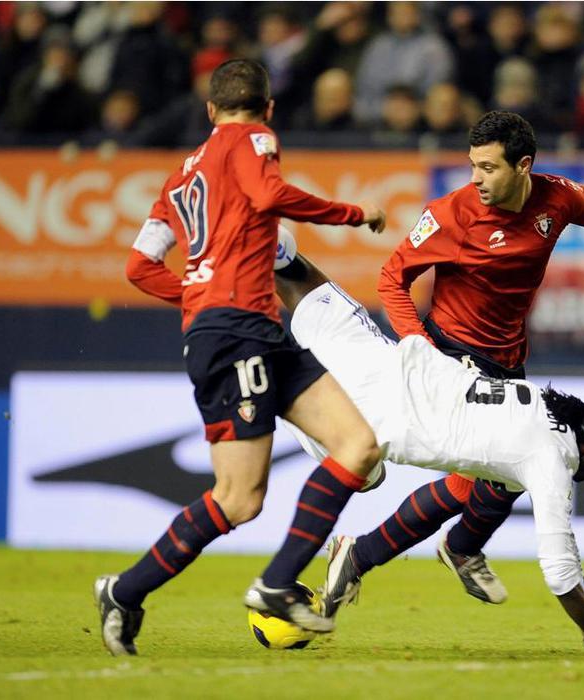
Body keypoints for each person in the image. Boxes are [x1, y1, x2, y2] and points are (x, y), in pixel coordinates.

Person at [94, 58, 387, 656]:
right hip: (234, 335)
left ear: (209, 109)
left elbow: (139, 266)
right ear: (268, 108)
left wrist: (196, 294)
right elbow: (266, 192)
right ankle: (126, 590)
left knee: (359, 446)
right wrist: (354, 214)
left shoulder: (180, 178)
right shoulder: (255, 138)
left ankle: (276, 583)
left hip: (257, 331)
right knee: (239, 498)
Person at [356, 110, 584, 607]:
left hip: (507, 357)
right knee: (482, 479)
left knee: (503, 479)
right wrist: (419, 347)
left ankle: (442, 549)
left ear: (523, 166)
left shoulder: (556, 198)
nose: (476, 178)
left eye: (488, 167)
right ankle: (380, 553)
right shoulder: (452, 215)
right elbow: (392, 279)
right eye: (473, 165)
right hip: (454, 353)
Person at [274, 233, 584, 658]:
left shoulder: (533, 400)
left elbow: (487, 487)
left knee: (294, 271)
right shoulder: (549, 464)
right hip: (352, 418)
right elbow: (561, 573)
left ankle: (257, 238)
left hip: (376, 355)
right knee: (366, 474)